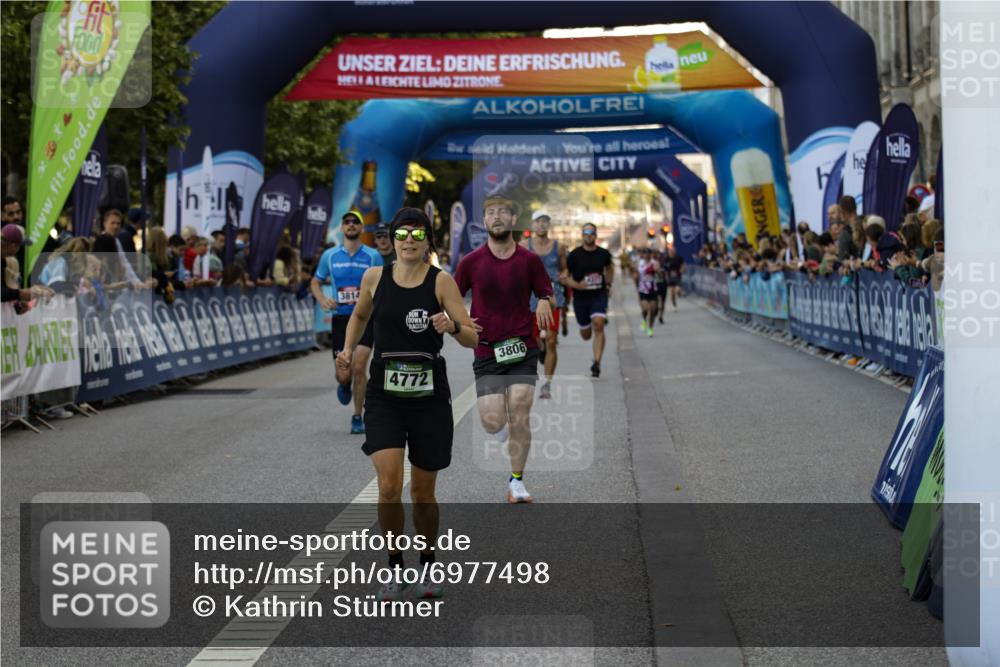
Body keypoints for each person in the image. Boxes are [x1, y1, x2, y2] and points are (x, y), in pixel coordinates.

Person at [335, 207, 478, 601]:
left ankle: (429, 563)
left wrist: (452, 326)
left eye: (417, 234)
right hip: (384, 396)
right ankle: (395, 568)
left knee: (423, 493)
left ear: (427, 240)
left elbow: (472, 338)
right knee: (389, 486)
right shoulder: (374, 277)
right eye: (403, 233)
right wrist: (347, 350)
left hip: (429, 397)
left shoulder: (441, 281)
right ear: (393, 239)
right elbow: (359, 316)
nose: (409, 240)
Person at [454, 194, 554, 504]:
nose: (496, 217)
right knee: (492, 419)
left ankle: (517, 482)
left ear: (513, 220)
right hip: (487, 349)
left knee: (521, 409)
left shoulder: (529, 260)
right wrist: (461, 318)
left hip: (522, 345)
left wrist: (544, 304)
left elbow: (545, 292)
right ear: (484, 222)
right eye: (490, 213)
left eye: (503, 212)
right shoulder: (470, 262)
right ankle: (506, 437)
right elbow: (452, 298)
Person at [310, 210, 383, 434]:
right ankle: (343, 384)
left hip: (366, 318)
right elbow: (315, 281)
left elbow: (383, 285)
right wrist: (322, 299)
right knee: (344, 372)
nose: (351, 225)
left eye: (355, 222)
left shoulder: (373, 256)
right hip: (341, 319)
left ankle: (357, 416)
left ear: (362, 228)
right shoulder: (330, 256)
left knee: (359, 367)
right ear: (342, 228)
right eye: (347, 222)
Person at [520, 210, 566, 400]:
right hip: (528, 299)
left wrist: (564, 276)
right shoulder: (523, 246)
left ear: (549, 225)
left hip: (552, 298)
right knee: (533, 342)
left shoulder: (559, 247)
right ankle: (540, 350)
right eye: (538, 221)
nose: (542, 225)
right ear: (533, 225)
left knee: (552, 341)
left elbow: (565, 269)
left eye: (545, 221)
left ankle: (547, 384)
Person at [560, 223, 613, 378]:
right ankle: (585, 327)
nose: (588, 235)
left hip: (599, 295)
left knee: (598, 324)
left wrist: (608, 283)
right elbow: (564, 277)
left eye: (591, 232)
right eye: (585, 232)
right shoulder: (574, 255)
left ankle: (597, 363)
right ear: (582, 235)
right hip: (580, 299)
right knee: (586, 334)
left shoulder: (604, 254)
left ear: (595, 235)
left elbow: (610, 268)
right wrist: (577, 285)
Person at [1, 224, 53, 303]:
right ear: (13, 245)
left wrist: (17, 305)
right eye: (19, 246)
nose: (19, 250)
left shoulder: (5, 261)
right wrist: (20, 294)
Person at [634, 247, 659, 336]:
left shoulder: (654, 263)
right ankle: (644, 320)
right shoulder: (639, 263)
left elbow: (657, 270)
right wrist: (636, 279)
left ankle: (650, 328)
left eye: (648, 253)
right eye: (645, 253)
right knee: (645, 309)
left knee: (652, 310)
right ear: (643, 255)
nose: (647, 255)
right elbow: (636, 274)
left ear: (651, 254)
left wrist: (654, 269)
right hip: (642, 288)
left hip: (652, 288)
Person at [662, 245, 684, 310]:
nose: (672, 252)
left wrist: (681, 270)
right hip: (670, 278)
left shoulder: (679, 258)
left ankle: (679, 293)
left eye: (673, 251)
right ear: (669, 252)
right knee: (672, 294)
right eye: (670, 251)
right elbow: (664, 268)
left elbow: (683, 265)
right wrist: (666, 276)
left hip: (677, 276)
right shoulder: (666, 259)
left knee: (677, 290)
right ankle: (674, 305)